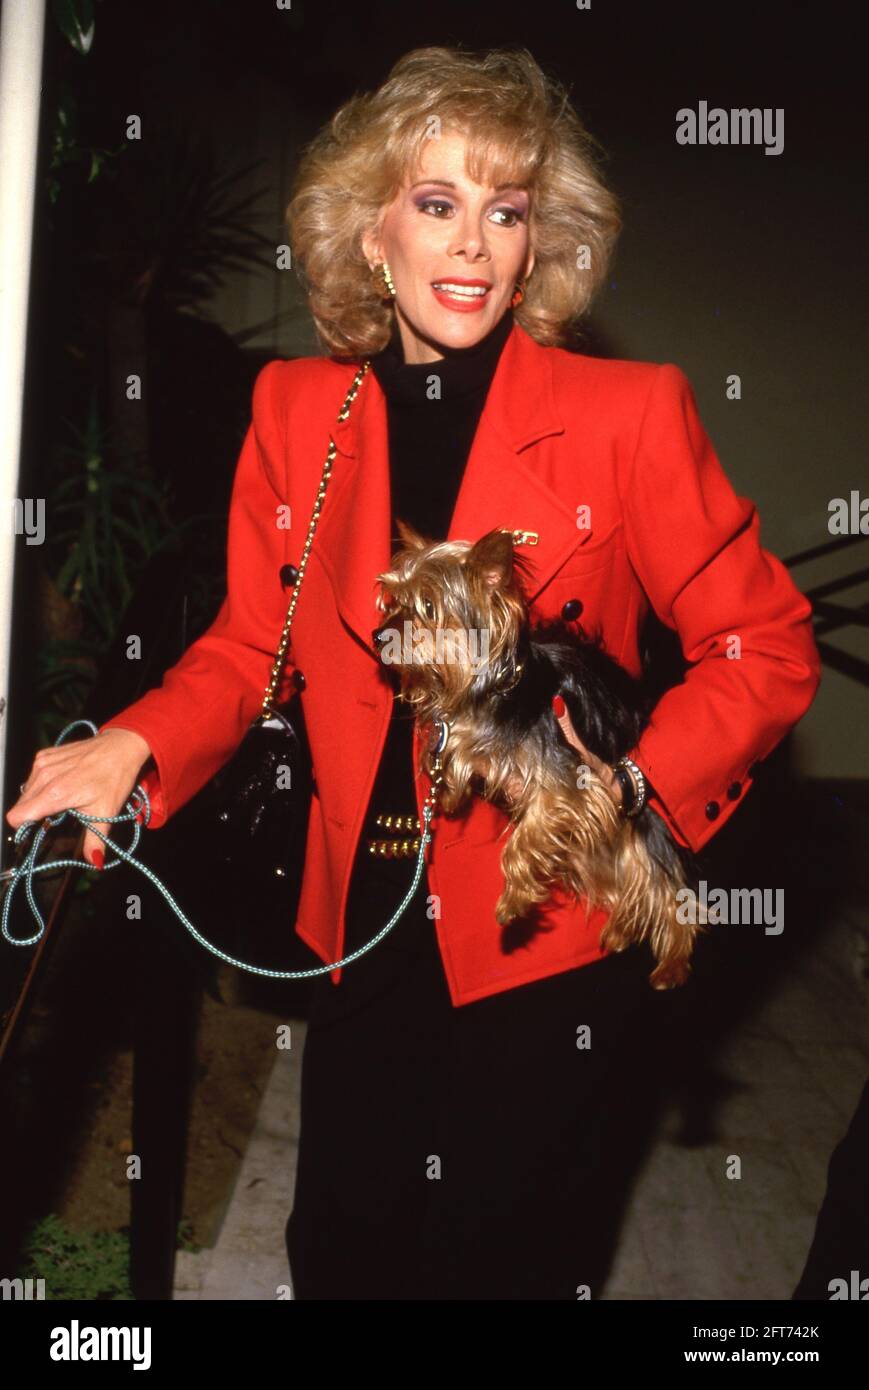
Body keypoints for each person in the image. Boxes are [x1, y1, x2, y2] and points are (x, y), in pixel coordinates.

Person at [6, 46, 822, 1300]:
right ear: (369, 233)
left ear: (538, 241)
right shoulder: (295, 409)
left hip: (541, 924)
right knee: (343, 1247)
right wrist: (141, 742)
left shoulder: (629, 412)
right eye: (436, 203)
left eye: (506, 212)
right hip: (358, 911)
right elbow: (249, 643)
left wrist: (626, 793)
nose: (474, 244)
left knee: (501, 1259)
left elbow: (760, 647)